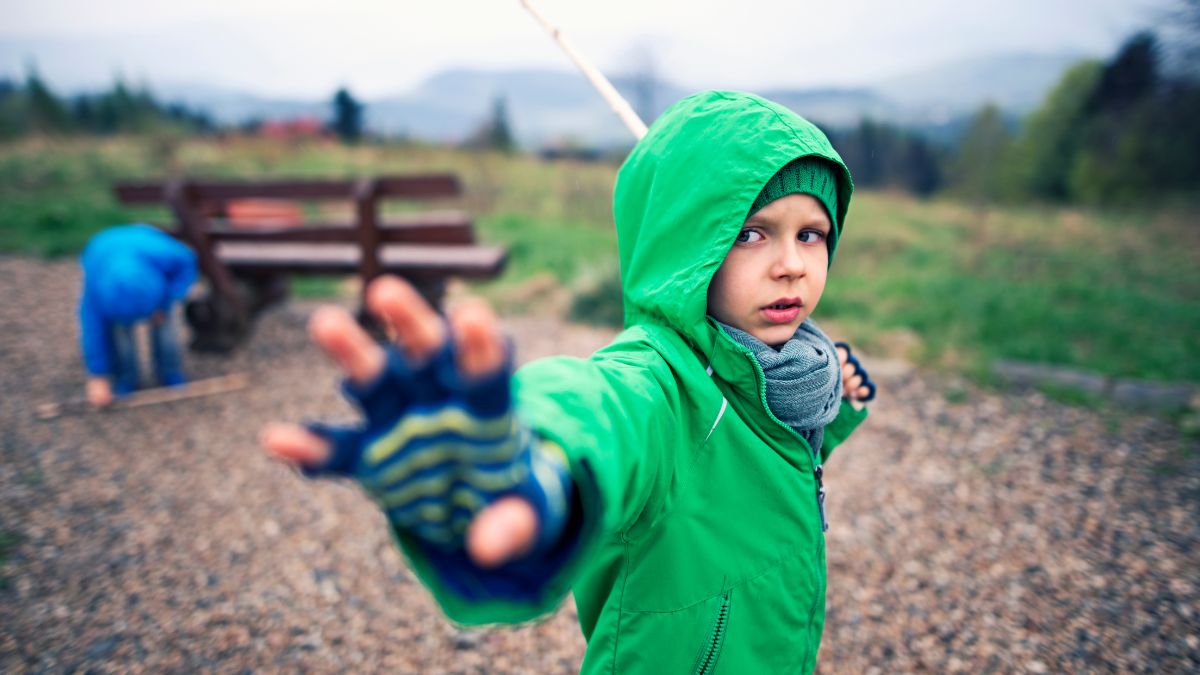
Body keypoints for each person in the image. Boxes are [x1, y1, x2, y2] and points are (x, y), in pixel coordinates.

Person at [263, 90, 877, 673]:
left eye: (810, 234)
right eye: (750, 234)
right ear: (689, 248)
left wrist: (837, 402)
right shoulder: (660, 386)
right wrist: (532, 465)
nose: (791, 264)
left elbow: (765, 451)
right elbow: (596, 408)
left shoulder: (796, 371)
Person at [78, 224, 198, 407]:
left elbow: (187, 264)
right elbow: (93, 329)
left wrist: (166, 301)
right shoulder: (97, 290)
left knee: (165, 331)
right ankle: (126, 377)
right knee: (122, 336)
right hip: (103, 250)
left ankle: (170, 371)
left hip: (146, 254)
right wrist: (98, 375)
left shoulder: (167, 254)